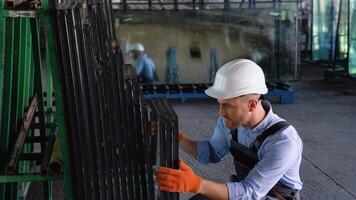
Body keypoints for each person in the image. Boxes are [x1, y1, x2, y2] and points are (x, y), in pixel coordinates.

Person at [155, 59, 303, 200]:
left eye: (228, 105)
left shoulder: (282, 141)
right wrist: (175, 137)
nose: (221, 112)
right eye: (220, 104)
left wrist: (197, 184)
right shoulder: (231, 123)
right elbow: (212, 152)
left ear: (252, 105)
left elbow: (250, 193)